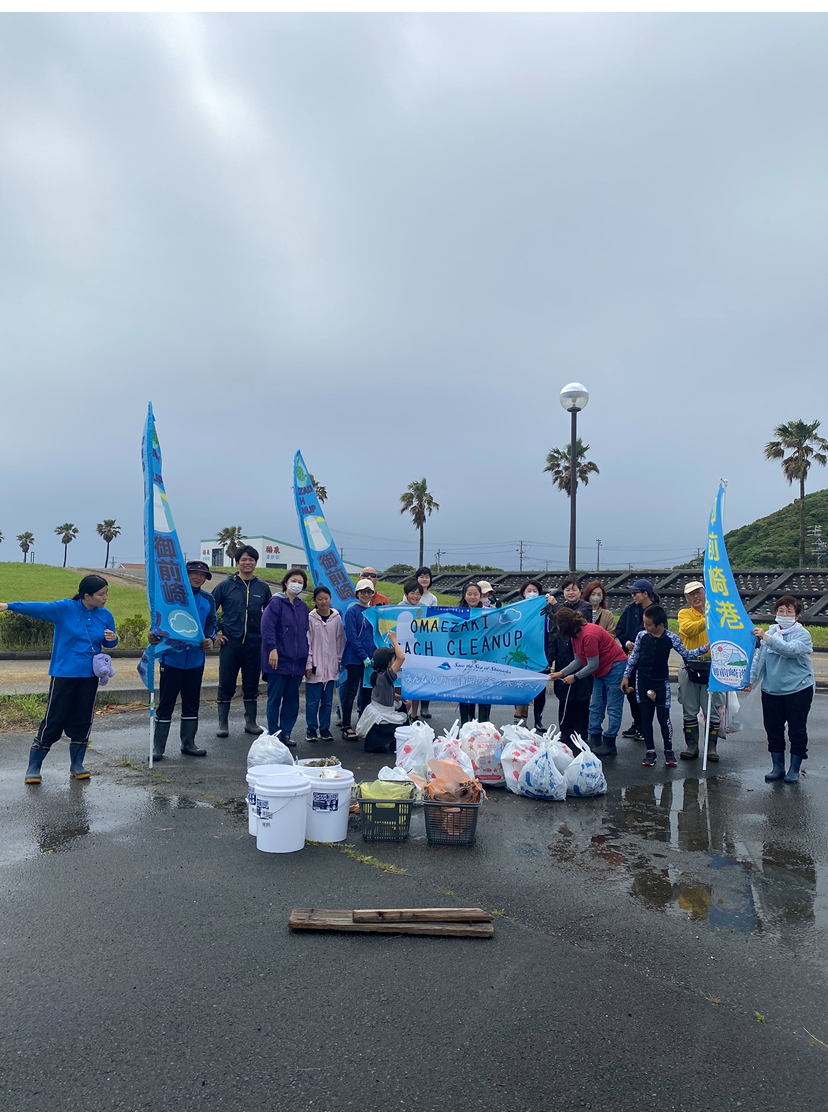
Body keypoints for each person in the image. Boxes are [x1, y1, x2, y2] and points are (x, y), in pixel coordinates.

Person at [0, 574, 118, 784]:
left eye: (107, 593)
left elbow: (109, 643)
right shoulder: (65, 609)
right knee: (54, 719)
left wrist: (112, 639)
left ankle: (77, 765)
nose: (105, 597)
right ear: (86, 595)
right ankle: (34, 766)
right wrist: (9, 606)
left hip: (90, 675)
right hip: (64, 674)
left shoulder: (105, 615)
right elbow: (38, 608)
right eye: (101, 594)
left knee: (83, 719)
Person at [622, 604, 709, 768]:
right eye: (644, 624)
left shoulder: (671, 638)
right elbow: (634, 657)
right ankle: (650, 751)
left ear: (660, 625)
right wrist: (626, 676)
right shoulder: (641, 636)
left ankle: (669, 750)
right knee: (646, 717)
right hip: (642, 680)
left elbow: (687, 654)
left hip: (661, 681)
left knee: (663, 718)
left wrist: (705, 648)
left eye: (649, 625)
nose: (646, 627)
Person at [150, 561, 217, 761]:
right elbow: (158, 621)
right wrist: (153, 635)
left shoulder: (208, 599)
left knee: (191, 702)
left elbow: (212, 622)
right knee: (166, 703)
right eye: (194, 573)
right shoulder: (170, 597)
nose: (198, 577)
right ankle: (158, 747)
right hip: (172, 659)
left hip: (196, 660)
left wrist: (210, 639)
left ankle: (188, 743)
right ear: (184, 575)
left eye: (202, 575)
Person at [748, 595, 815, 784]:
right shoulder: (770, 632)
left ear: (797, 616)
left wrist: (767, 638)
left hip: (798, 689)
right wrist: (751, 678)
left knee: (797, 731)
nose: (784, 614)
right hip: (771, 690)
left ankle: (794, 768)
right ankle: (777, 767)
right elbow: (759, 659)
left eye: (789, 611)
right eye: (780, 610)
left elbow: (790, 650)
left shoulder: (802, 635)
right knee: (773, 730)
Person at [549, 607, 628, 757]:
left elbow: (592, 664)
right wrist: (561, 673)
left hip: (614, 666)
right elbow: (579, 660)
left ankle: (610, 742)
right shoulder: (575, 636)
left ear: (566, 625)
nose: (558, 629)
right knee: (595, 705)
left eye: (559, 626)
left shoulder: (588, 635)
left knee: (613, 707)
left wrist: (575, 677)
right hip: (600, 670)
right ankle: (595, 738)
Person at [212, 545, 272, 738]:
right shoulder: (226, 585)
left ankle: (251, 722)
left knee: (251, 684)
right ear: (237, 562)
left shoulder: (262, 587)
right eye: (243, 560)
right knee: (226, 683)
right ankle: (223, 723)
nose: (247, 563)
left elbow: (271, 615)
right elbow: (209, 610)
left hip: (255, 643)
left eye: (251, 560)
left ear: (256, 562)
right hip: (231, 643)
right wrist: (216, 633)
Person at [260, 569, 310, 748]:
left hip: (297, 662)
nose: (297, 584)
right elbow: (267, 628)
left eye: (300, 581)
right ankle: (274, 734)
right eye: (293, 580)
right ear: (286, 582)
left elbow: (307, 634)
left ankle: (286, 732)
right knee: (274, 698)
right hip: (278, 660)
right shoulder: (275, 603)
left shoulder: (303, 607)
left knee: (292, 699)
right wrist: (272, 649)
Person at [677, 581, 726, 762]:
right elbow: (688, 630)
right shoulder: (684, 614)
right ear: (687, 598)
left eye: (699, 592)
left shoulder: (719, 613)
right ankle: (692, 745)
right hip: (690, 665)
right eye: (692, 594)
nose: (696, 597)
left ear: (706, 593)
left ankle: (711, 747)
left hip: (713, 665)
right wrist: (707, 618)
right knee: (689, 708)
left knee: (711, 709)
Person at [615, 578, 660, 742]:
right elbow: (619, 629)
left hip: (648, 660)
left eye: (635, 593)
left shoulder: (656, 611)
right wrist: (627, 642)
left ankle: (645, 726)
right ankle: (637, 723)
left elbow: (660, 634)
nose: (633, 596)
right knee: (631, 692)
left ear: (645, 593)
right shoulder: (630, 609)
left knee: (646, 694)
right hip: (629, 657)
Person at [305, 586, 345, 742]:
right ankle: (311, 729)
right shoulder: (310, 618)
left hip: (331, 666)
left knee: (327, 701)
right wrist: (308, 664)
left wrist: (339, 660)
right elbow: (307, 643)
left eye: (326, 598)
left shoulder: (336, 617)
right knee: (312, 701)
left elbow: (340, 640)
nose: (323, 602)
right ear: (315, 600)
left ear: (330, 599)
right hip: (315, 666)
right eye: (320, 599)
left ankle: (325, 728)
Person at [340, 578, 379, 740]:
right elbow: (352, 636)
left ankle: (363, 724)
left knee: (367, 693)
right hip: (355, 658)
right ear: (357, 593)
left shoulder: (374, 611)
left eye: (369, 592)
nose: (366, 594)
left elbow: (377, 635)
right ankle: (346, 726)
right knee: (351, 692)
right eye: (363, 591)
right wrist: (363, 656)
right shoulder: (352, 611)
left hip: (370, 659)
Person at [356, 630, 407, 752]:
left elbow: (382, 693)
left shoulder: (377, 675)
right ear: (388, 663)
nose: (395, 662)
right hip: (382, 713)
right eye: (392, 660)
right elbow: (402, 657)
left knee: (402, 707)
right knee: (404, 720)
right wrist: (394, 639)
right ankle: (394, 742)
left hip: (376, 710)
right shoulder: (385, 677)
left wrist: (397, 697)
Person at [457, 582, 492, 725]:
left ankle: (484, 725)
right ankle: (465, 725)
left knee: (484, 693)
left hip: (484, 658)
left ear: (481, 596)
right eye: (469, 594)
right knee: (465, 693)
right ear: (464, 596)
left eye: (475, 594)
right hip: (463, 659)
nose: (472, 597)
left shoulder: (489, 612)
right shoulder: (456, 613)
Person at [514, 580, 547, 729]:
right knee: (520, 687)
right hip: (521, 653)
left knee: (539, 690)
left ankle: (538, 720)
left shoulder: (546, 609)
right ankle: (519, 721)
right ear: (523, 593)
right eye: (529, 590)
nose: (532, 593)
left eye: (535, 590)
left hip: (540, 652)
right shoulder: (517, 609)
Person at [398, 577, 424, 718]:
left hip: (417, 652)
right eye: (412, 593)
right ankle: (400, 712)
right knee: (399, 683)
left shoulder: (423, 608)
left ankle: (414, 715)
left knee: (416, 685)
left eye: (418, 593)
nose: (415, 596)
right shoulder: (398, 608)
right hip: (402, 651)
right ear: (406, 594)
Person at [414, 567, 438, 718]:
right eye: (421, 576)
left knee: (426, 671)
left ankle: (425, 706)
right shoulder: (411, 593)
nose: (424, 579)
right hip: (412, 637)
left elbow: (435, 618)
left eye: (427, 577)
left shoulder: (432, 598)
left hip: (427, 638)